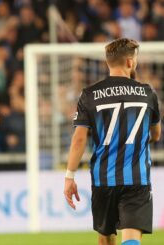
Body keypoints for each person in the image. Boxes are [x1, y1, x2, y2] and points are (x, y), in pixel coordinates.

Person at [64, 38, 161, 245]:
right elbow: (156, 135)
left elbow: (79, 139)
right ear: (129, 62)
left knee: (106, 238)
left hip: (103, 179)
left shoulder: (89, 95)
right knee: (132, 237)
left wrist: (69, 176)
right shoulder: (147, 93)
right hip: (137, 179)